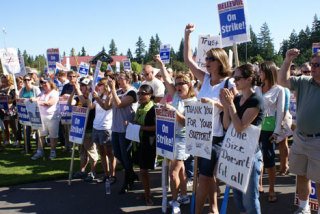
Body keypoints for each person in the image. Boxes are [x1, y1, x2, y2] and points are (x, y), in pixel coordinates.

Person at [184, 23, 237, 214]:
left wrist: (215, 104)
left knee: (204, 178)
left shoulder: (229, 82)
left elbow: (233, 110)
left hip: (217, 137)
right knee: (207, 176)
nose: (206, 61)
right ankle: (214, 209)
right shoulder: (205, 79)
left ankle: (198, 211)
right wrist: (187, 35)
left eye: (211, 58)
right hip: (201, 134)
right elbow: (188, 59)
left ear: (220, 61)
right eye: (206, 58)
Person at [279, 49, 320, 214]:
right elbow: (282, 81)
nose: (313, 67)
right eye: (312, 64)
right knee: (301, 175)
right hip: (301, 138)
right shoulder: (304, 81)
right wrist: (287, 60)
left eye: (317, 65)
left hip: (318, 141)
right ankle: (304, 208)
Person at [156, 54, 197, 213]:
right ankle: (184, 196)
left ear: (189, 85)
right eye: (177, 83)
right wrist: (161, 64)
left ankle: (174, 202)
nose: (178, 85)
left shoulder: (194, 102)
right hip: (169, 137)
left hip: (183, 139)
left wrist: (174, 111)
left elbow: (187, 122)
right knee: (180, 170)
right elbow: (166, 78)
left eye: (182, 83)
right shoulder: (174, 95)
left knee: (173, 174)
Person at [220, 63, 264, 214]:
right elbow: (227, 125)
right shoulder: (238, 99)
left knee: (250, 200)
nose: (235, 81)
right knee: (238, 198)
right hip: (236, 153)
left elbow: (239, 127)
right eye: (234, 77)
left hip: (250, 155)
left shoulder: (256, 100)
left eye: (238, 78)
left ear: (249, 79)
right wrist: (226, 105)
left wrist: (230, 105)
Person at [256, 61, 285, 202]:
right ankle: (259, 183)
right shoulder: (256, 89)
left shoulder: (279, 89)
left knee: (269, 159)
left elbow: (280, 112)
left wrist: (277, 132)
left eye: (261, 71)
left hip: (269, 128)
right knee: (256, 158)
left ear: (268, 72)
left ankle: (272, 188)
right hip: (255, 127)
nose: (258, 73)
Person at [108, 71, 138, 194]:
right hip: (115, 127)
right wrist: (110, 91)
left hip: (126, 128)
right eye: (118, 78)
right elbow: (108, 105)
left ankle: (128, 181)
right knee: (117, 153)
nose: (118, 80)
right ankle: (131, 173)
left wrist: (113, 89)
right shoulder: (118, 91)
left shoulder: (132, 92)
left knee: (125, 156)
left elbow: (120, 104)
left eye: (120, 78)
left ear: (128, 80)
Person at [85, 77, 116, 183]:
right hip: (96, 127)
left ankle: (112, 175)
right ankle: (106, 174)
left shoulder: (111, 95)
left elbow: (106, 107)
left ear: (106, 86)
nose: (98, 87)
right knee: (102, 152)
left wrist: (97, 97)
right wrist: (90, 94)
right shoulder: (99, 96)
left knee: (109, 153)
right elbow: (90, 106)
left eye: (100, 85)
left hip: (106, 128)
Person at [68, 78, 99, 181]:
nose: (81, 87)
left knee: (91, 152)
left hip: (89, 128)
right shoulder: (78, 97)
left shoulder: (92, 98)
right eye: (80, 85)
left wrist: (78, 91)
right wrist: (73, 91)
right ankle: (82, 170)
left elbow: (86, 104)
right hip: (79, 128)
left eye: (83, 86)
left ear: (89, 87)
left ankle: (93, 171)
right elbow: (69, 103)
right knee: (82, 152)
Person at [133, 84, 156, 206]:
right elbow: (137, 122)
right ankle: (146, 192)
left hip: (149, 143)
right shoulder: (140, 107)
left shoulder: (153, 109)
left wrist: (140, 127)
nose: (140, 96)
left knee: (143, 170)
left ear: (150, 95)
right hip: (139, 141)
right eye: (139, 93)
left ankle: (148, 196)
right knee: (142, 170)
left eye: (143, 93)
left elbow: (156, 127)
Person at [31, 78, 60, 160]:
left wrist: (38, 102)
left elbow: (50, 103)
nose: (43, 84)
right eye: (42, 83)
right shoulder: (42, 93)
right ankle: (39, 151)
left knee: (53, 136)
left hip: (52, 117)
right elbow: (36, 99)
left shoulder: (55, 93)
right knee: (41, 135)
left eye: (45, 82)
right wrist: (32, 100)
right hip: (41, 116)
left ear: (50, 83)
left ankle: (53, 151)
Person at [19, 74, 41, 152]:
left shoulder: (35, 89)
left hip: (35, 112)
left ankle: (38, 148)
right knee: (26, 130)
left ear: (31, 80)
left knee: (37, 129)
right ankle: (27, 147)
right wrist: (20, 99)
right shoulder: (22, 89)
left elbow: (40, 97)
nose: (27, 81)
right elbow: (19, 99)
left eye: (28, 80)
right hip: (25, 112)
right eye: (25, 80)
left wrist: (34, 99)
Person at [0, 75, 19, 146]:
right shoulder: (0, 87)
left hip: (10, 109)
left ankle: (17, 140)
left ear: (8, 79)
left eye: (4, 79)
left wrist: (8, 101)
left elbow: (14, 99)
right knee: (5, 126)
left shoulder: (12, 88)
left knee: (13, 125)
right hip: (2, 109)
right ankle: (7, 140)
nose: (3, 80)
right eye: (2, 79)